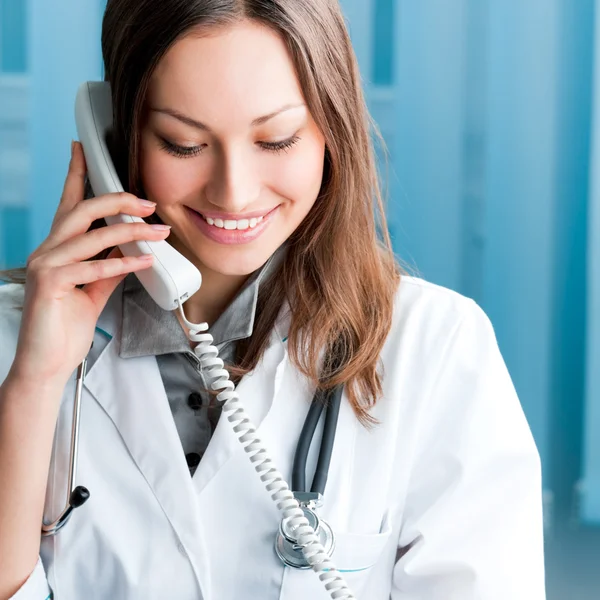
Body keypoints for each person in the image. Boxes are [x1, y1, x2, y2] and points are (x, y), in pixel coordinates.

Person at [0, 1, 545, 598]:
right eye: (183, 144)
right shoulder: (18, 343)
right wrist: (32, 383)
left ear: (331, 129)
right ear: (113, 135)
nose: (234, 192)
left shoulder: (436, 347)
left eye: (277, 139)